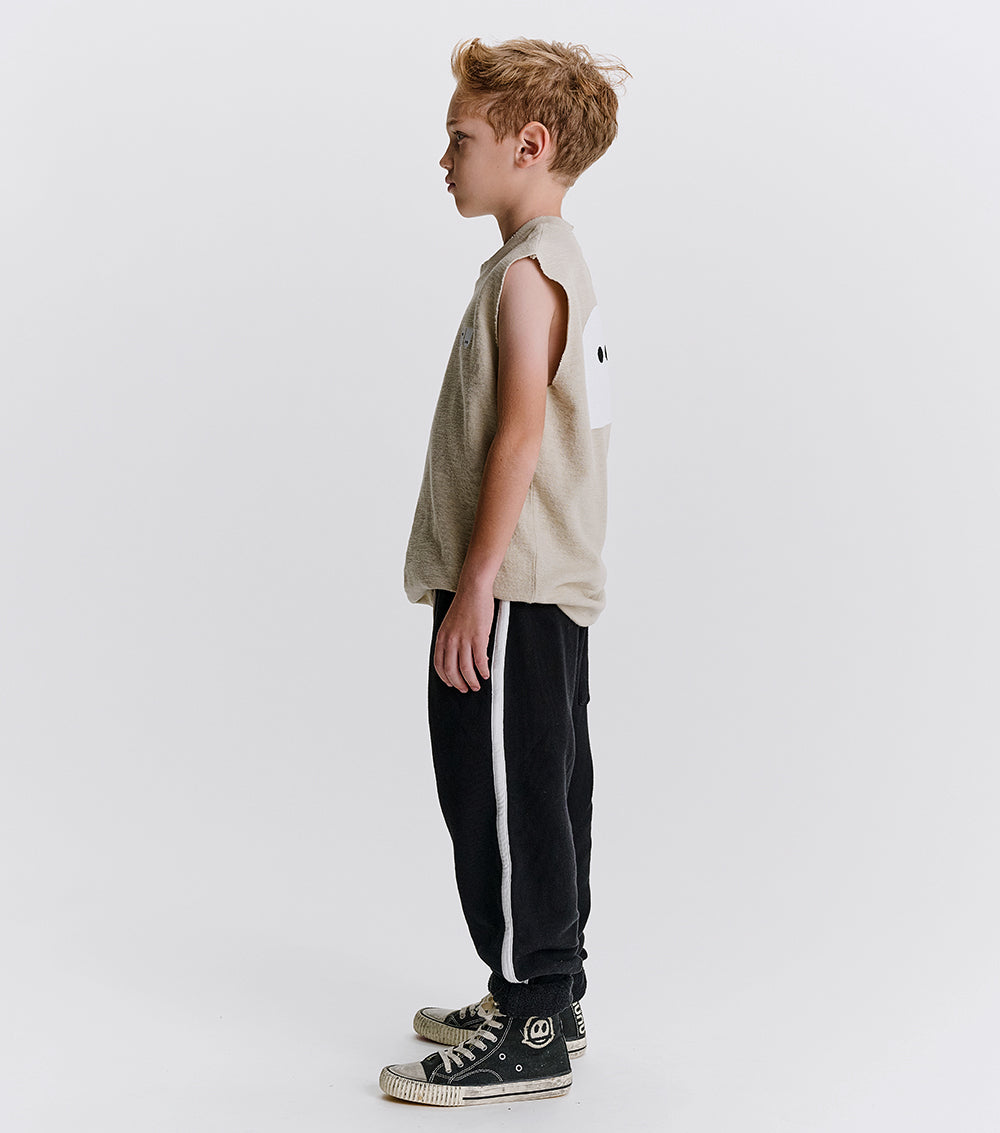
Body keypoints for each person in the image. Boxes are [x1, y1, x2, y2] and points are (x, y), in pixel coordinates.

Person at [379, 36, 630, 1107]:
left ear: (528, 145)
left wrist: (474, 584)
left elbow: (520, 433)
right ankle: (544, 993)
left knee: (502, 797)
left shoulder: (528, 275)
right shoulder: (548, 262)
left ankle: (531, 1025)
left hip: (513, 588)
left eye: (460, 139)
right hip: (538, 587)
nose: (444, 159)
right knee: (545, 788)